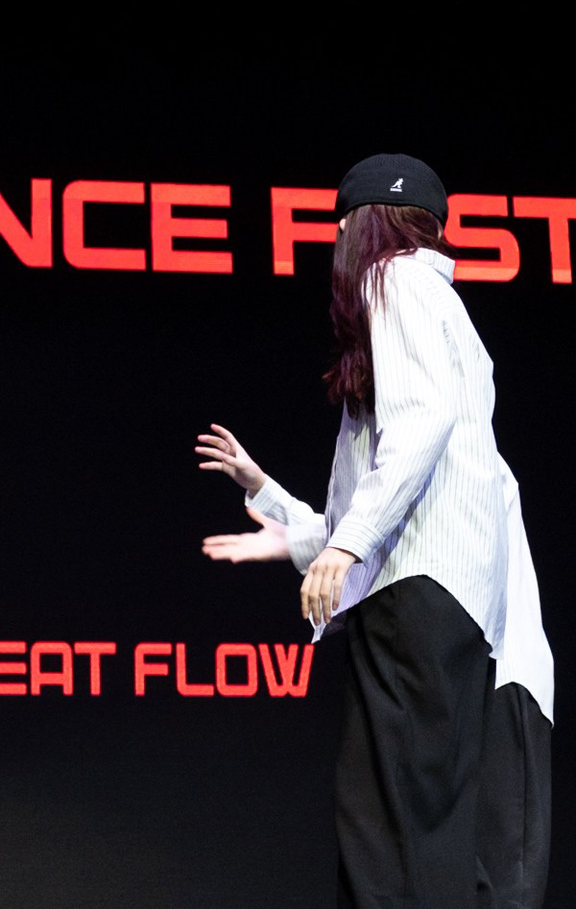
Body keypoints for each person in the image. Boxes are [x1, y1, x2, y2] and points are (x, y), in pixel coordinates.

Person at [190, 153, 545, 908]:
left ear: (363, 225)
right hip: (442, 600)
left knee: (388, 842)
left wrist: (345, 545)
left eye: (340, 226)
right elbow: (395, 484)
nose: (337, 244)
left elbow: (419, 424)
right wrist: (280, 509)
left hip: (416, 597)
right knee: (415, 833)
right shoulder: (444, 312)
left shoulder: (395, 279)